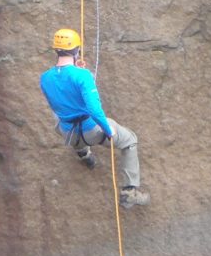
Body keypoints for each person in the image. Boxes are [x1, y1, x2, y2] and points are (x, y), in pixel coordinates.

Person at [39, 28, 150, 208]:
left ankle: (84, 155)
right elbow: (94, 109)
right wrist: (108, 131)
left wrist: (79, 73)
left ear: (56, 50)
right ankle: (130, 191)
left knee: (67, 125)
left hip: (67, 132)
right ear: (77, 51)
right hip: (91, 130)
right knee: (129, 140)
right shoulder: (82, 76)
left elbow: (58, 99)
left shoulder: (45, 78)